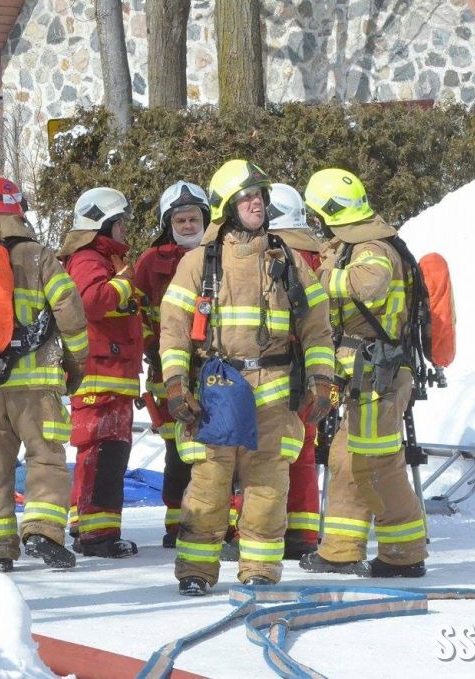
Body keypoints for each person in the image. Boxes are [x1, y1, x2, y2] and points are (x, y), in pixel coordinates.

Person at [159, 159, 334, 595]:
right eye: (247, 197)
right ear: (227, 207)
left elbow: (317, 326)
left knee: (268, 486)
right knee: (209, 483)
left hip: (274, 391)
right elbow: (174, 329)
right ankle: (196, 570)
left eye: (259, 196)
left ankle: (259, 570)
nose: (256, 204)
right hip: (217, 391)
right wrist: (177, 384)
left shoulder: (288, 260)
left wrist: (321, 379)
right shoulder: (198, 263)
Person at [299, 168, 428, 578]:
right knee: (345, 458)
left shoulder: (372, 247)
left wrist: (317, 277)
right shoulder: (357, 244)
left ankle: (404, 555)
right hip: (365, 375)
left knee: (378, 465)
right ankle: (340, 550)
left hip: (379, 376)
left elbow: (370, 283)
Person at [0, 176, 88, 573]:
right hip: (36, 386)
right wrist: (75, 365)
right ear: (20, 212)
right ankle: (42, 532)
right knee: (45, 459)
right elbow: (70, 312)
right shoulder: (39, 256)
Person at [57, 186, 143, 558]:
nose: (125, 228)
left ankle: (87, 526)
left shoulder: (101, 258)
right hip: (99, 376)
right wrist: (123, 285)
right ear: (102, 224)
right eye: (119, 222)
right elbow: (89, 301)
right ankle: (98, 536)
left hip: (112, 374)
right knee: (104, 455)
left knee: (104, 454)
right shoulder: (88, 258)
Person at [134, 181, 209, 548]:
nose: (188, 226)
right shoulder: (151, 262)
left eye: (194, 218)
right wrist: (153, 349)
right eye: (181, 220)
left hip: (216, 369)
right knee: (177, 451)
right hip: (169, 370)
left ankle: (219, 523)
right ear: (169, 223)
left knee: (220, 448)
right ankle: (178, 522)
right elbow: (138, 313)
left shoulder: (224, 255)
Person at [266, 182, 326, 559]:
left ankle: (261, 529)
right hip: (311, 368)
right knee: (303, 448)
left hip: (276, 365)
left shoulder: (275, 254)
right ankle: (303, 533)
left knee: (263, 451)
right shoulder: (318, 254)